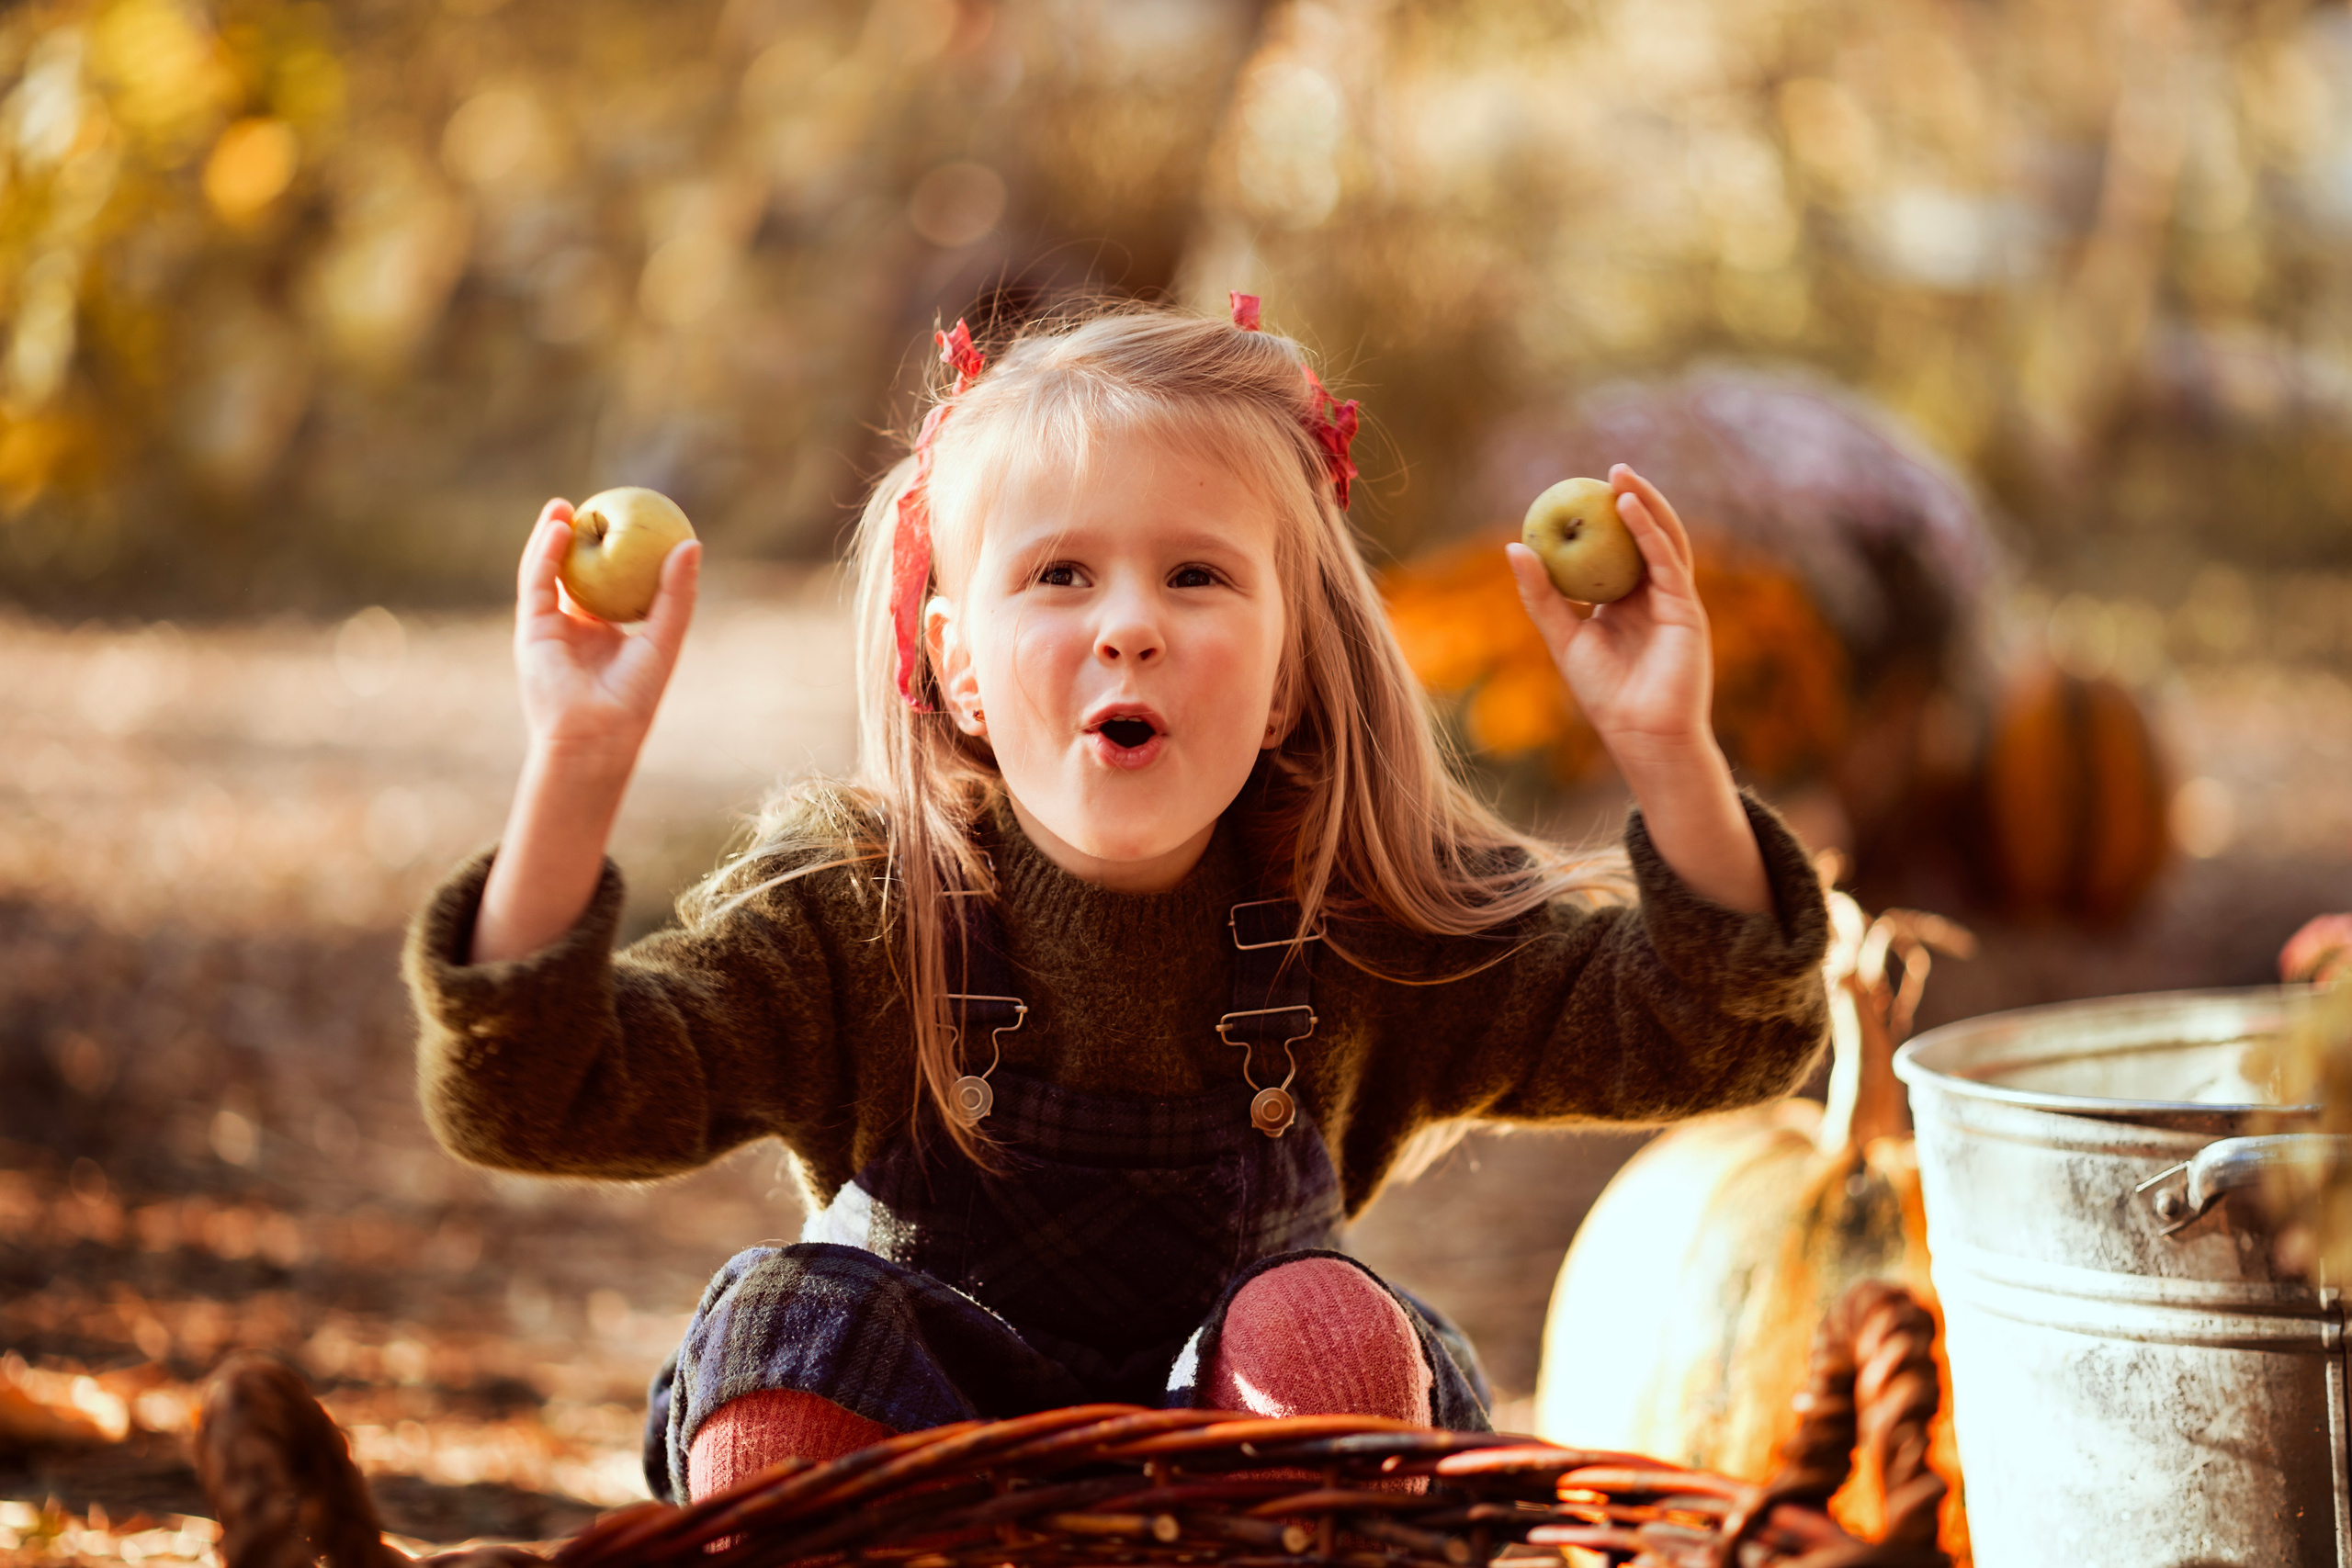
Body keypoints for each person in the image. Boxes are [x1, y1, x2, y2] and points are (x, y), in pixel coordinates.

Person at [402, 299, 1831, 1506]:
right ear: (960, 668)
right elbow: (539, 1096)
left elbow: (1717, 1034)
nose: (1129, 623)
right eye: (1061, 574)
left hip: (1247, 1492)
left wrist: (1664, 745)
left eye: (1196, 574)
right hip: (919, 1479)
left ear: (1287, 672)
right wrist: (578, 763)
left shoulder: (1351, 921)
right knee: (790, 1326)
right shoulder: (857, 917)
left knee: (1321, 1322)